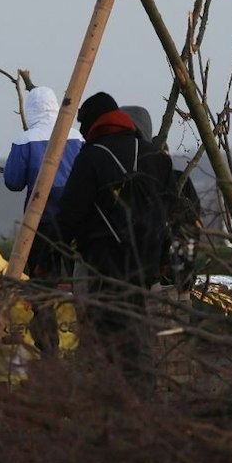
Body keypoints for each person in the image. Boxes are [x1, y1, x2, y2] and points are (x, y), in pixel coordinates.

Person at [53, 93, 173, 377]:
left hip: (104, 266)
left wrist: (50, 254)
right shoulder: (156, 157)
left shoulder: (92, 157)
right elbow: (169, 213)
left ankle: (123, 403)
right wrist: (165, 258)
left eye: (83, 124)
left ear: (93, 122)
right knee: (137, 329)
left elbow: (70, 213)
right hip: (146, 263)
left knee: (106, 339)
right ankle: (140, 398)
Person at [4, 86, 79, 356]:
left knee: (41, 287)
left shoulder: (25, 140)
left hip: (41, 226)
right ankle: (90, 349)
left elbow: (12, 181)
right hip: (75, 226)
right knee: (80, 285)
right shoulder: (77, 137)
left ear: (32, 110)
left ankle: (49, 349)